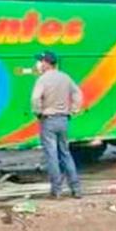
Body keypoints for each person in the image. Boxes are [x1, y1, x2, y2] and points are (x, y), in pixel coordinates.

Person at [31, 51, 83, 199]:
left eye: (41, 61)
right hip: (63, 120)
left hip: (48, 120)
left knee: (52, 155)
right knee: (66, 153)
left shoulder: (42, 80)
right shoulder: (65, 77)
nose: (39, 64)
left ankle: (56, 190)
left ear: (46, 63)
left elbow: (35, 98)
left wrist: (38, 112)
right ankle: (76, 189)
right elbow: (77, 94)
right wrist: (73, 110)